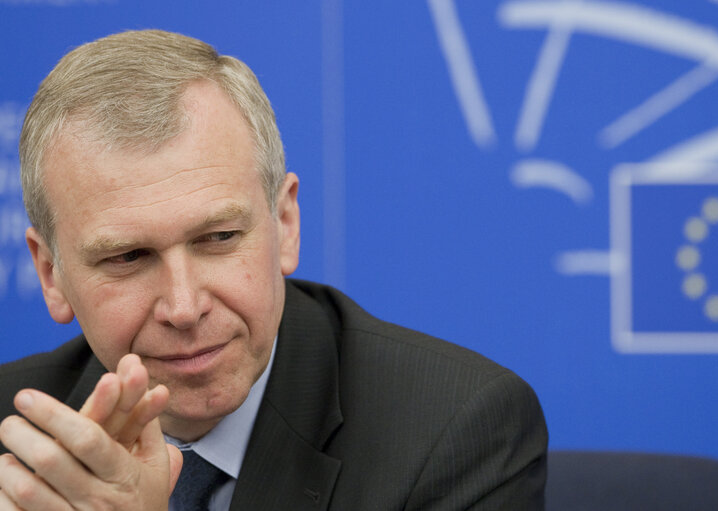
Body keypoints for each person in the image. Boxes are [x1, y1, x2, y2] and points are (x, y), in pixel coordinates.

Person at [0, 29, 547, 510]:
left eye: (218, 238)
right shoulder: (12, 438)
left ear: (285, 225)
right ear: (52, 274)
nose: (185, 307)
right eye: (127, 257)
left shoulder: (454, 431)